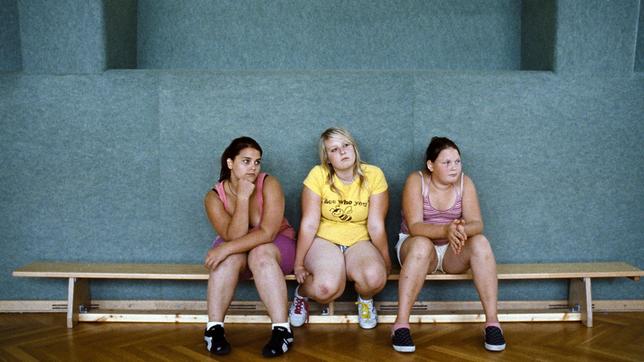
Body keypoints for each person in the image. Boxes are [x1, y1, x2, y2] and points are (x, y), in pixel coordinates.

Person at [392, 136, 506, 353]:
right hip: (416, 248)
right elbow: (415, 226)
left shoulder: (465, 182)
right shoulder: (416, 181)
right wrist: (446, 229)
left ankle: (492, 323)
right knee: (421, 246)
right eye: (446, 162)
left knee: (481, 243)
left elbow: (477, 224)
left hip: (452, 251)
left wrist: (459, 230)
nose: (454, 167)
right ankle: (400, 325)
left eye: (457, 161)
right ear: (430, 165)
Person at [289, 127, 390, 330]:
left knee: (375, 277)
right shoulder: (318, 175)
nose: (342, 152)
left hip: (359, 241)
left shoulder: (374, 175)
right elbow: (309, 223)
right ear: (327, 158)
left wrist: (385, 260)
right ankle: (301, 295)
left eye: (345, 145)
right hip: (324, 240)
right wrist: (299, 264)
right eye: (334, 149)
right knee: (326, 288)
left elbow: (376, 225)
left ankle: (365, 300)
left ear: (354, 148)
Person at [203, 136, 296, 357]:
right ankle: (213, 329)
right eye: (246, 161)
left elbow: (267, 232)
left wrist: (225, 248)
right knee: (228, 259)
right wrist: (243, 198)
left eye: (257, 161)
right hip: (238, 246)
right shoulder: (214, 197)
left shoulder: (270, 184)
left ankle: (282, 330)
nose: (253, 167)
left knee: (259, 254)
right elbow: (232, 235)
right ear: (230, 163)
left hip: (276, 246)